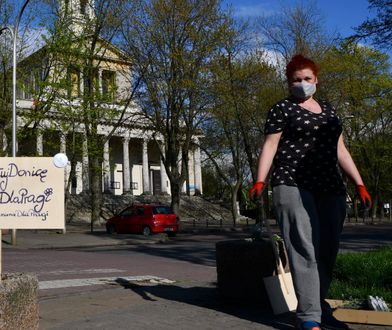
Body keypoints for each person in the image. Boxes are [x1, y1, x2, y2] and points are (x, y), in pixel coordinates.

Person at [249, 54, 372, 330]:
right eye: (296, 80)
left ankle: (318, 306)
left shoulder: (329, 112)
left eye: (307, 79)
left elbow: (340, 150)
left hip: (330, 186)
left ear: (316, 80)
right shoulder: (282, 109)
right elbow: (270, 145)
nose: (302, 84)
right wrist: (260, 180)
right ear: (288, 82)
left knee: (327, 249)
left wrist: (359, 183)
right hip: (292, 183)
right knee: (303, 247)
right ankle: (308, 317)